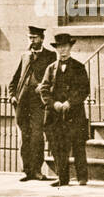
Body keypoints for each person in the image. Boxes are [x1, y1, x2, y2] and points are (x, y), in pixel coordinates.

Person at [38, 32, 90, 187]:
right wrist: (53, 104)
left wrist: (70, 102)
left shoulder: (79, 67)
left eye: (65, 47)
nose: (63, 50)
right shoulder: (51, 69)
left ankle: (82, 177)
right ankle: (63, 178)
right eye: (60, 47)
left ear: (70, 47)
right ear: (56, 49)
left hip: (74, 113)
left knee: (78, 146)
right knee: (58, 146)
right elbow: (44, 90)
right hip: (56, 114)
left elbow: (83, 89)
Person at [8, 25, 56, 180]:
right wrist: (12, 95)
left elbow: (53, 79)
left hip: (39, 102)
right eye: (30, 38)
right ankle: (27, 171)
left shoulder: (50, 56)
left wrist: (45, 87)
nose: (32, 41)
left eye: (35, 38)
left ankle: (37, 170)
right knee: (25, 136)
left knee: (37, 136)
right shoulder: (25, 56)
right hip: (22, 102)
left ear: (42, 39)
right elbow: (15, 79)